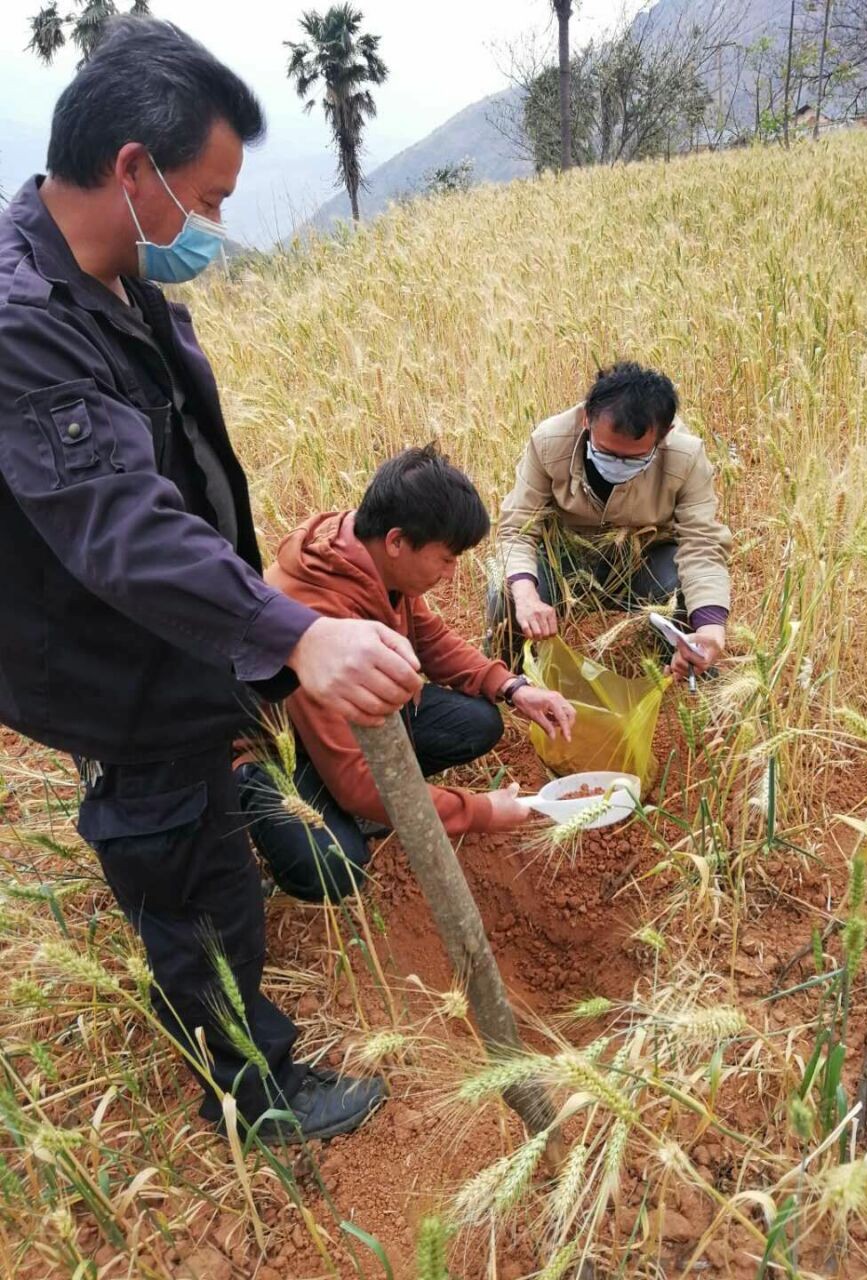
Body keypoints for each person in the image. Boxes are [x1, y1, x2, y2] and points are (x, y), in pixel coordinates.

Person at [0, 18, 424, 1143]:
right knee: (191, 879)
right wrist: (290, 631)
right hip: (113, 667)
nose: (216, 227)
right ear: (133, 169)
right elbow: (120, 524)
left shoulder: (119, 278)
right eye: (211, 196)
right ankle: (251, 1090)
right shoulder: (23, 326)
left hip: (180, 642)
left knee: (209, 848)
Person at [236, 445, 576, 901]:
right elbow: (355, 779)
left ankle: (368, 808)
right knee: (334, 868)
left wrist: (513, 687)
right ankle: (311, 818)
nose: (452, 575)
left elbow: (430, 640)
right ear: (397, 541)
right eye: (447, 559)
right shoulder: (315, 615)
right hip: (280, 751)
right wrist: (479, 812)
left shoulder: (370, 554)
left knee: (478, 721)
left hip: (352, 721)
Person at [488, 363, 732, 678]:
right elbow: (517, 529)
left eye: (633, 458)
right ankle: (506, 677)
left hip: (643, 563)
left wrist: (710, 629)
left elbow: (702, 546)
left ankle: (680, 672)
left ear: (665, 435)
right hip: (566, 561)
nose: (617, 464)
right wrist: (525, 595)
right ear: (585, 419)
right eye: (606, 452)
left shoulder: (686, 457)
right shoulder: (549, 441)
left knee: (684, 592)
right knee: (505, 591)